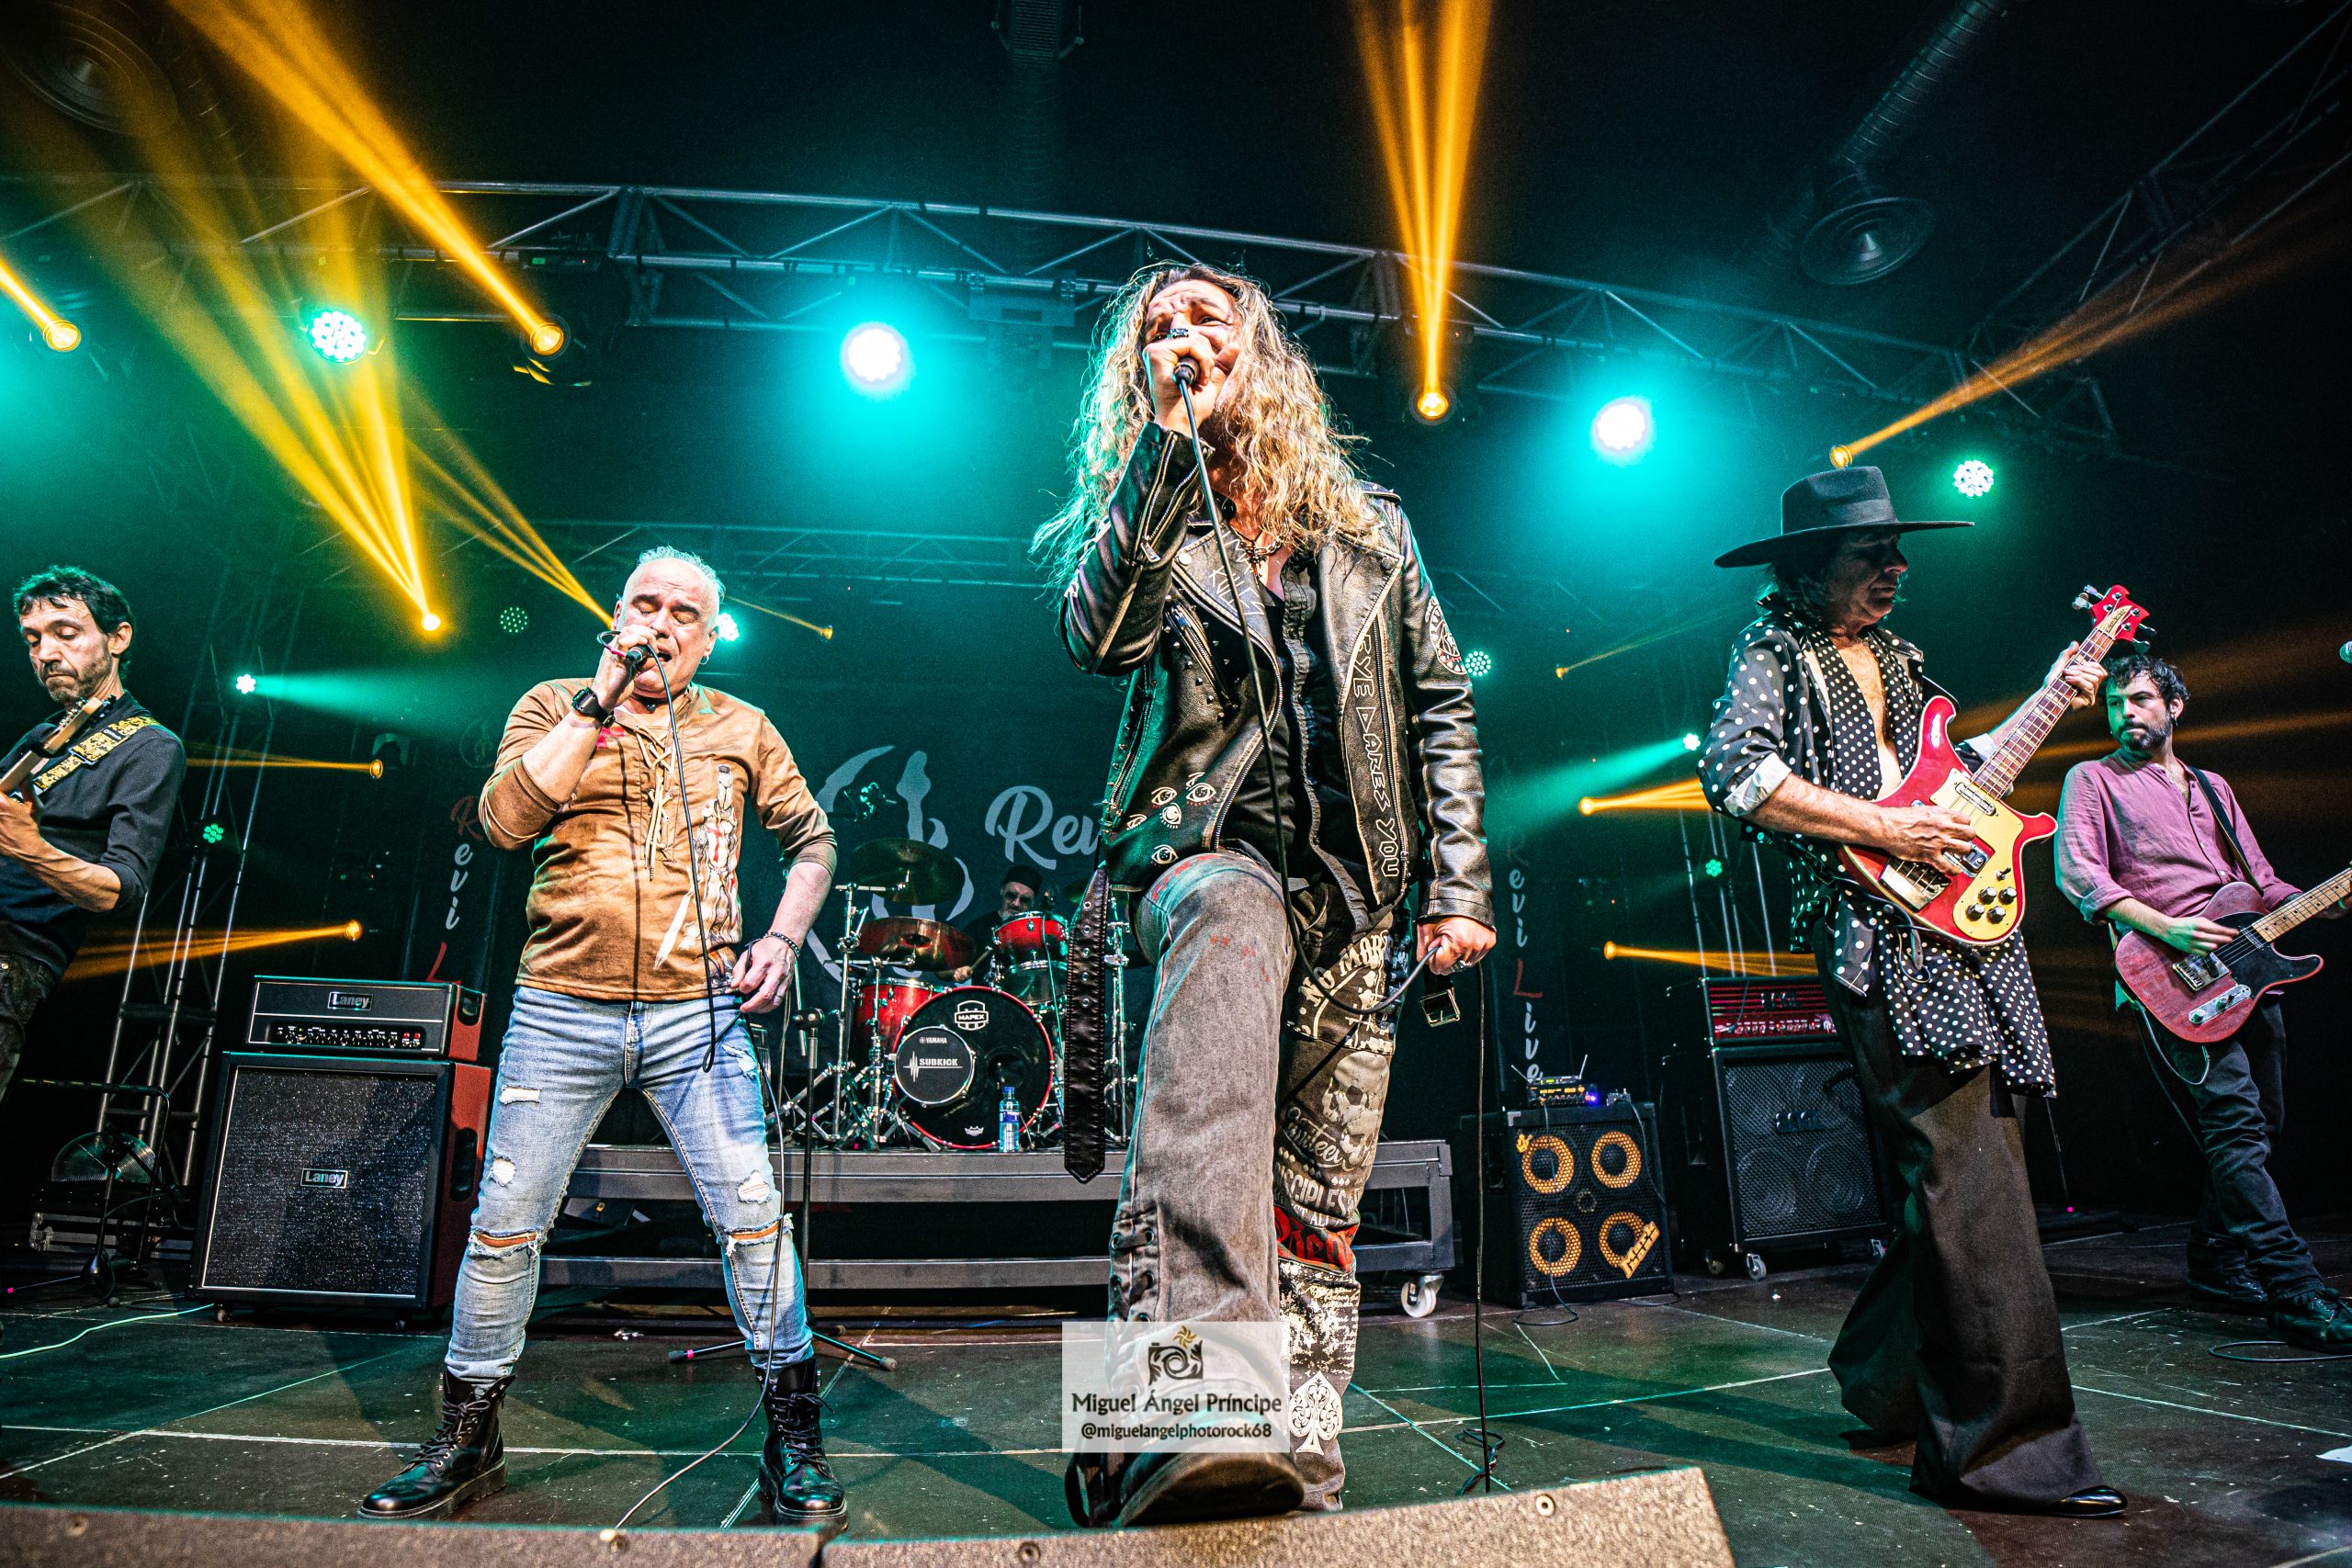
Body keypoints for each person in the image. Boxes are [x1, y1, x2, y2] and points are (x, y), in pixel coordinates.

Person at [1038, 264, 1494, 1526]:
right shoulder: (1148, 516)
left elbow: (1441, 701)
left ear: (1261, 348)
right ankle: (1181, 1423)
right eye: (1157, 329)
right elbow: (1096, 639)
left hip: (1356, 900)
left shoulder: (1371, 524)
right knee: (1207, 1116)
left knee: (1317, 1208)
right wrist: (1163, 454)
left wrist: (1457, 881)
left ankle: (1299, 1483)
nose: (1182, 335)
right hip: (1202, 862)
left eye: (1207, 317)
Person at [360, 547, 845, 1529]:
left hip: (699, 1012)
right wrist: (599, 700)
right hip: (560, 1008)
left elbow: (814, 840)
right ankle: (467, 1433)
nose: (661, 623)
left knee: (754, 1222)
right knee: (505, 1228)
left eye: (684, 613)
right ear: (615, 616)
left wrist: (784, 939)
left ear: (708, 640)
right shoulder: (553, 704)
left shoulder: (740, 726)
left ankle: (793, 1440)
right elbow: (505, 821)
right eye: (645, 604)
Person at [1697, 467, 2123, 1517]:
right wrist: (1886, 828)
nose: (1895, 568)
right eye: (1869, 554)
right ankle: (2001, 1454)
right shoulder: (1773, 651)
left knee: (1966, 1167)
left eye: (1897, 551)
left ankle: (1883, 1380)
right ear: (1809, 566)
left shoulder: (1900, 655)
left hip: (1962, 928)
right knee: (1967, 1175)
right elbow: (1736, 774)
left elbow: (1946, 777)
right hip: (1873, 933)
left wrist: (2046, 698)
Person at [2054, 651, 2350, 1349]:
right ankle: (2293, 1285)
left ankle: (2215, 1259)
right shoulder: (2092, 778)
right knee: (2236, 1127)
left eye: (2140, 700)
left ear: (2175, 706)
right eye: (2115, 703)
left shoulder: (2213, 786)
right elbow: (2080, 875)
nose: (2125, 713)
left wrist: (2325, 899)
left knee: (2265, 1123)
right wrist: (2169, 927)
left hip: (2247, 970)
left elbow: (2262, 883)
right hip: (2169, 975)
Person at [0, 568, 184, 1103]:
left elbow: (122, 889)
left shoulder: (151, 746)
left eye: (66, 633)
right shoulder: (42, 736)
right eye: (33, 640)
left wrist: (31, 850)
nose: (45, 653)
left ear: (118, 638)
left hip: (14, 953)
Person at [950, 863, 1046, 985]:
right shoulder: (979, 927)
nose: (1016, 903)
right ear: (1002, 891)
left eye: (1025, 900)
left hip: (1023, 997)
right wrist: (957, 972)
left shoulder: (1038, 936)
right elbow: (943, 969)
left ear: (1032, 903)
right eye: (1011, 896)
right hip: (983, 996)